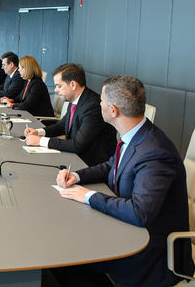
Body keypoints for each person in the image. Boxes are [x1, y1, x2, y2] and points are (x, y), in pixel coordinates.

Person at [53, 75, 193, 287]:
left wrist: (88, 196)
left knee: (65, 260)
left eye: (101, 101)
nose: (98, 104)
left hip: (148, 254)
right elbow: (112, 164)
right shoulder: (136, 135)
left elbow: (139, 212)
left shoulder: (155, 152)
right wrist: (78, 176)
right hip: (125, 231)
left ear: (113, 111)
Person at [24, 63, 116, 166]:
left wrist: (41, 141)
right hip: (76, 157)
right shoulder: (75, 100)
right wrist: (39, 132)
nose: (55, 90)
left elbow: (77, 145)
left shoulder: (93, 107)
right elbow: (62, 126)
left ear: (73, 85)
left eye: (59, 86)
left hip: (90, 164)